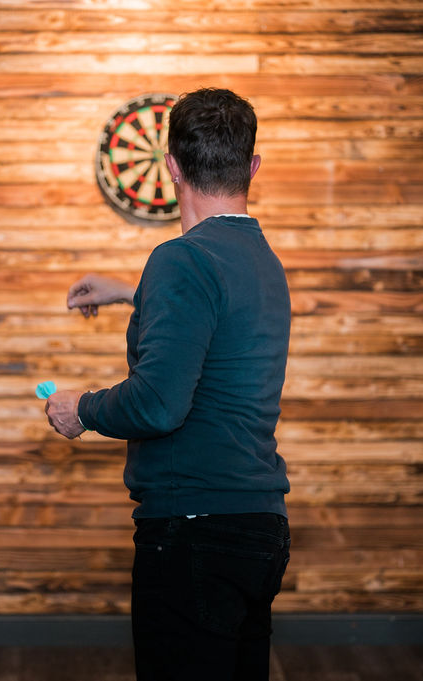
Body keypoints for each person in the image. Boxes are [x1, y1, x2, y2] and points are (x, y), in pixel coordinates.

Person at [45, 88, 291, 680]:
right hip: (258, 528)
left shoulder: (180, 260)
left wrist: (83, 407)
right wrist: (134, 291)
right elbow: (219, 323)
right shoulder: (261, 260)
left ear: (172, 166)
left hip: (195, 534)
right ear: (252, 166)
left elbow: (158, 405)